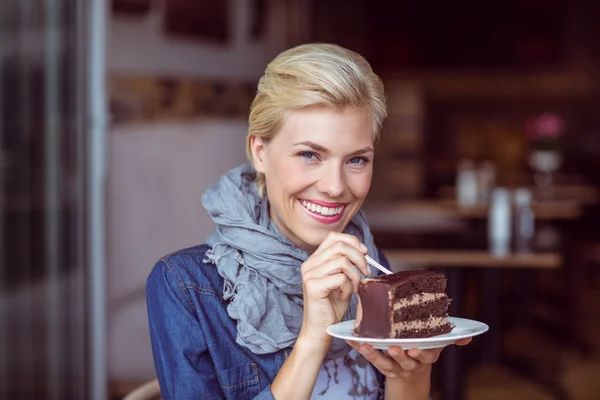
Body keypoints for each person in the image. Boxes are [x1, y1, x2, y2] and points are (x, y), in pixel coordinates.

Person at [146, 43, 471, 400]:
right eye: (309, 154)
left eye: (357, 160)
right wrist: (313, 338)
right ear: (260, 153)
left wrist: (412, 369)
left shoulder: (371, 268)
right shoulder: (185, 287)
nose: (335, 187)